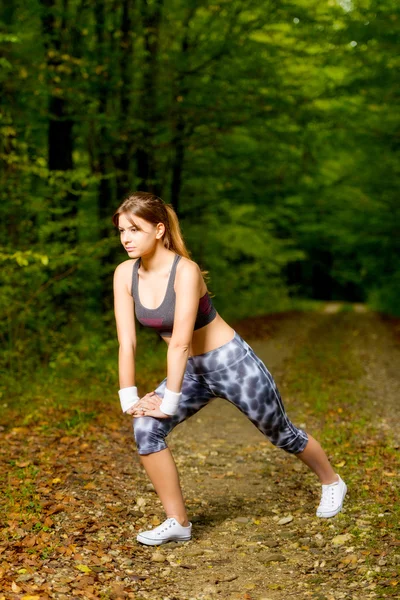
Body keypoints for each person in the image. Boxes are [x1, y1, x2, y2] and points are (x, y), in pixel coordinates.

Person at [112, 191, 347, 546]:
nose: (126, 237)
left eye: (135, 228)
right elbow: (126, 342)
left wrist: (168, 402)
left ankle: (332, 481)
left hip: (232, 364)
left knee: (281, 434)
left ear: (159, 229)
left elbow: (180, 342)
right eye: (121, 230)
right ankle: (178, 521)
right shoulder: (124, 274)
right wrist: (129, 399)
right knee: (145, 428)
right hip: (190, 372)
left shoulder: (185, 271)